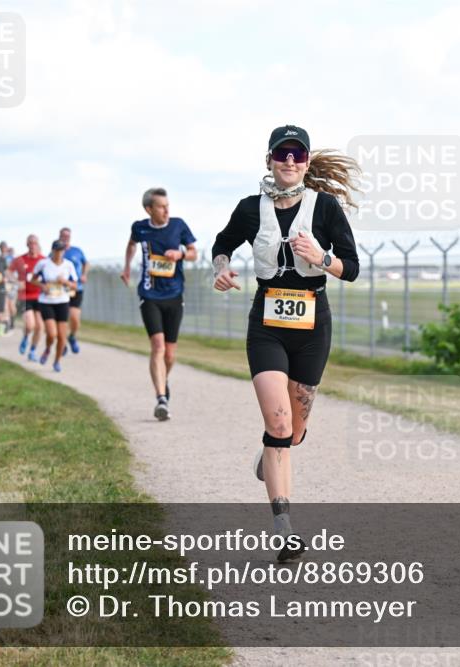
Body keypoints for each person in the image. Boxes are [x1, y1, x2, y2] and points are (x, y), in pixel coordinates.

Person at [212, 125, 361, 562]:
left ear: (308, 162)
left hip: (314, 324)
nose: (289, 161)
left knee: (293, 432)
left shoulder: (325, 207)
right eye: (282, 153)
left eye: (298, 154)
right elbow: (222, 245)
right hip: (268, 324)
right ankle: (284, 528)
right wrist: (221, 267)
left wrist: (322, 259)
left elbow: (351, 267)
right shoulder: (249, 208)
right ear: (269, 160)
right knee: (278, 424)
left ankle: (271, 453)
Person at [121, 188, 198, 420]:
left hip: (174, 295)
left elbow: (194, 252)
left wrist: (181, 254)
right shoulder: (140, 227)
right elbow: (131, 245)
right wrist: (126, 267)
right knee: (158, 346)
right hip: (149, 294)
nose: (167, 210)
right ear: (149, 209)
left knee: (170, 355)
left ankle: (163, 379)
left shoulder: (178, 225)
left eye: (168, 206)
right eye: (161, 207)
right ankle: (161, 398)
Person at [30, 240, 78, 372]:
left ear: (64, 252)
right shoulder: (43, 264)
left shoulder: (68, 265)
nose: (58, 253)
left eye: (61, 251)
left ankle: (57, 361)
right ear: (52, 251)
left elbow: (75, 285)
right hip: (46, 302)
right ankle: (47, 349)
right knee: (52, 334)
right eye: (56, 250)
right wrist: (42, 286)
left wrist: (65, 282)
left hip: (62, 301)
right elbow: (32, 279)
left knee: (62, 336)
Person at [9, 235, 45, 361]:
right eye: (30, 243)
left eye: (35, 243)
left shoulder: (43, 260)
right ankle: (25, 337)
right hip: (25, 296)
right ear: (27, 244)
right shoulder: (20, 260)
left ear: (38, 244)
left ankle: (33, 350)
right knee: (30, 325)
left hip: (40, 297)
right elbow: (8, 272)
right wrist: (16, 281)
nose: (33, 245)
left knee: (40, 326)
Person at [59, 227, 88, 355]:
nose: (65, 237)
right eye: (63, 235)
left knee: (75, 318)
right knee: (62, 319)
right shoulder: (55, 252)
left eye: (67, 235)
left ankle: (72, 336)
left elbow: (86, 263)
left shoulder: (77, 251)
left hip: (76, 288)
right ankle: (62, 342)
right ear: (60, 236)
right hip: (60, 290)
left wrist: (84, 274)